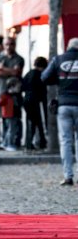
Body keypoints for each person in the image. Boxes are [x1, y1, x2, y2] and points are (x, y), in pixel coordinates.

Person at [41, 38, 78, 185]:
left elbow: (44, 77)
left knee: (66, 141)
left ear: (67, 47)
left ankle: (68, 176)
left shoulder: (58, 59)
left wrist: (59, 80)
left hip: (63, 105)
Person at [0, 36, 25, 148]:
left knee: (16, 118)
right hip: (2, 92)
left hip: (15, 94)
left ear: (14, 45)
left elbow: (17, 73)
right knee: (4, 118)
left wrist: (2, 69)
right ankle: (5, 141)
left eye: (10, 44)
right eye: (6, 44)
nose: (8, 46)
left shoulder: (19, 58)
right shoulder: (0, 58)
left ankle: (15, 141)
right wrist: (9, 71)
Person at [22, 56, 48, 151]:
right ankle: (37, 143)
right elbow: (42, 89)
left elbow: (23, 85)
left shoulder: (29, 73)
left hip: (27, 99)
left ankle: (31, 143)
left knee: (32, 121)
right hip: (35, 100)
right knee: (37, 122)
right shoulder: (40, 75)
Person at [0, 78, 22, 152]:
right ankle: (9, 144)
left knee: (10, 130)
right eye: (18, 87)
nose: (19, 89)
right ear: (12, 86)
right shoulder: (5, 95)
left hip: (15, 114)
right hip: (9, 115)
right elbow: (0, 103)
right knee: (11, 130)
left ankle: (4, 143)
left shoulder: (17, 95)